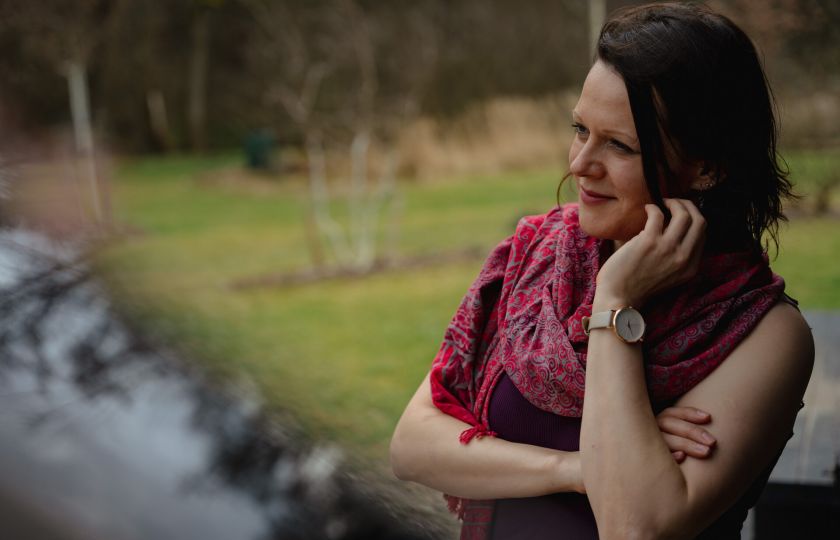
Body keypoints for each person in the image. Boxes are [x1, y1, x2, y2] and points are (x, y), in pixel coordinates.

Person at [390, 3, 815, 539]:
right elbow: (413, 445)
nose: (579, 164)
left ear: (707, 167)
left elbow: (634, 525)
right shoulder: (533, 258)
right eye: (580, 129)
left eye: (619, 145)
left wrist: (615, 302)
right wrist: (572, 468)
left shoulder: (763, 334)